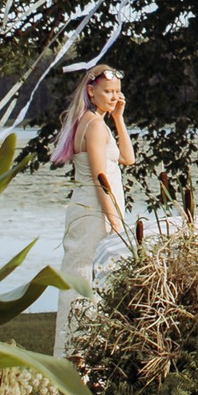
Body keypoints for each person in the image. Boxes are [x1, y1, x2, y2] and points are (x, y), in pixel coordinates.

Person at [52, 62, 136, 355]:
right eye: (108, 91)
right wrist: (115, 224)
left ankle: (78, 357)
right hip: (95, 214)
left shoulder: (93, 121)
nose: (114, 97)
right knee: (87, 281)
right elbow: (102, 179)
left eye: (117, 92)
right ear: (91, 90)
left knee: (83, 279)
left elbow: (128, 158)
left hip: (88, 210)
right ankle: (81, 358)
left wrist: (119, 118)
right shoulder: (94, 125)